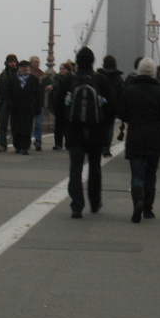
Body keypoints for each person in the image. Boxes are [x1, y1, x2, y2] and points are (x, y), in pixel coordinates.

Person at [58, 46, 115, 218]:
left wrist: (65, 127)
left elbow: (58, 105)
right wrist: (105, 126)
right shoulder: (101, 80)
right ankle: (95, 202)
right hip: (96, 131)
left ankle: (77, 205)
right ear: (93, 61)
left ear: (77, 62)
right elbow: (112, 105)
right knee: (95, 167)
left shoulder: (68, 80)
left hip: (74, 130)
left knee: (75, 167)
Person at [118, 57, 160, 223]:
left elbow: (122, 113)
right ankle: (148, 208)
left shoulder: (130, 90)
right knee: (151, 173)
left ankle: (137, 200)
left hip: (136, 135)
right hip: (155, 135)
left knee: (137, 173)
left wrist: (132, 119)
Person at [9, 58, 42, 154]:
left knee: (27, 127)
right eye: (23, 67)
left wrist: (38, 107)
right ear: (19, 68)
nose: (25, 69)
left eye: (27, 67)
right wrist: (9, 104)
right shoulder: (12, 79)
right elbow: (7, 93)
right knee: (15, 127)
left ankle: (25, 146)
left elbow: (38, 94)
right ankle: (17, 145)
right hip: (16, 107)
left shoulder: (33, 79)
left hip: (28, 107)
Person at [97, 54, 125, 157]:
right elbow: (121, 94)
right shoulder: (118, 78)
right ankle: (106, 149)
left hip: (99, 106)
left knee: (99, 127)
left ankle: (98, 147)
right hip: (112, 107)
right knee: (109, 127)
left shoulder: (98, 76)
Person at [0, 53, 18, 152]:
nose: (13, 64)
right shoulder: (3, 74)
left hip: (15, 102)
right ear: (7, 63)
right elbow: (0, 88)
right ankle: (3, 145)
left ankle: (16, 144)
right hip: (4, 101)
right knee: (3, 124)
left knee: (15, 124)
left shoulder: (17, 74)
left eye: (14, 62)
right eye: (11, 62)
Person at [49, 62, 74, 150]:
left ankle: (68, 143)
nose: (61, 71)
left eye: (63, 69)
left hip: (68, 104)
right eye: (60, 69)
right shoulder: (57, 78)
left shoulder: (72, 78)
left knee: (67, 125)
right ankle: (58, 144)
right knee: (58, 124)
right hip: (59, 103)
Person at [29, 55, 48, 151]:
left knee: (38, 124)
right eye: (35, 62)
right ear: (31, 63)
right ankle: (27, 141)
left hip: (39, 102)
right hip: (29, 102)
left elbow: (47, 84)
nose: (37, 64)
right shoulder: (27, 74)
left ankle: (38, 142)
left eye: (38, 62)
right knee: (28, 123)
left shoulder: (42, 75)